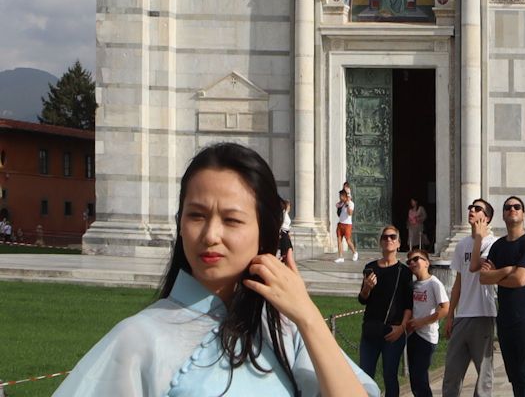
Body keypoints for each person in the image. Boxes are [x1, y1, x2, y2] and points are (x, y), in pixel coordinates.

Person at [55, 140, 376, 395]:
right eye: (196, 215)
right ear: (179, 224)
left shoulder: (285, 330)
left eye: (232, 220)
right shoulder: (137, 340)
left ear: (265, 232)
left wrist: (307, 315)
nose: (210, 235)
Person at [481, 195, 525, 397]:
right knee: (513, 374)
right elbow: (483, 277)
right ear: (503, 214)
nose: (512, 210)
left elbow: (521, 279)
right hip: (506, 316)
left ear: (523, 213)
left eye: (517, 207)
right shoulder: (498, 246)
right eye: (508, 207)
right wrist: (508, 269)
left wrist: (498, 275)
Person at [443, 197, 497, 397]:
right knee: (452, 372)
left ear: (487, 217)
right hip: (462, 315)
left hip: (483, 313)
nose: (472, 210)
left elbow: (476, 267)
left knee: (484, 372)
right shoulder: (461, 245)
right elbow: (459, 282)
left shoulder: (494, 244)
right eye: (470, 208)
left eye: (477, 208)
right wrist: (450, 316)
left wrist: (479, 238)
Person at [358, 220, 413, 396]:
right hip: (371, 328)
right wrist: (367, 288)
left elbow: (408, 304)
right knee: (365, 376)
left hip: (393, 330)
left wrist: (402, 328)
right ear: (380, 242)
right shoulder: (370, 268)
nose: (388, 240)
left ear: (398, 243)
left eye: (392, 237)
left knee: (390, 375)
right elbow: (362, 299)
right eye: (385, 237)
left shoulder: (403, 272)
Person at [404, 247, 450, 397]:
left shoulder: (434, 283)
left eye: (416, 259)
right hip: (412, 335)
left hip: (426, 337)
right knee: (414, 379)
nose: (412, 263)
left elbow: (445, 308)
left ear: (427, 263)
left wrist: (422, 322)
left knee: (420, 377)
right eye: (409, 261)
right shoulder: (413, 285)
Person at [336, 183, 357, 263]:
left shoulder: (351, 204)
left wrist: (347, 204)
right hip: (340, 224)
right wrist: (341, 204)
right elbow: (337, 207)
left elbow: (350, 213)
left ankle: (355, 252)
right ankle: (340, 257)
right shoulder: (341, 203)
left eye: (342, 196)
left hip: (347, 225)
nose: (340, 197)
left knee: (348, 240)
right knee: (339, 240)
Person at [277, 198, 294, 264]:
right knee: (287, 249)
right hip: (283, 233)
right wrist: (279, 233)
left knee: (288, 249)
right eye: (289, 205)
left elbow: (287, 225)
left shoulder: (286, 214)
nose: (290, 207)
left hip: (286, 233)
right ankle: (280, 261)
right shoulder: (283, 214)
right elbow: (280, 224)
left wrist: (289, 233)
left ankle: (283, 262)